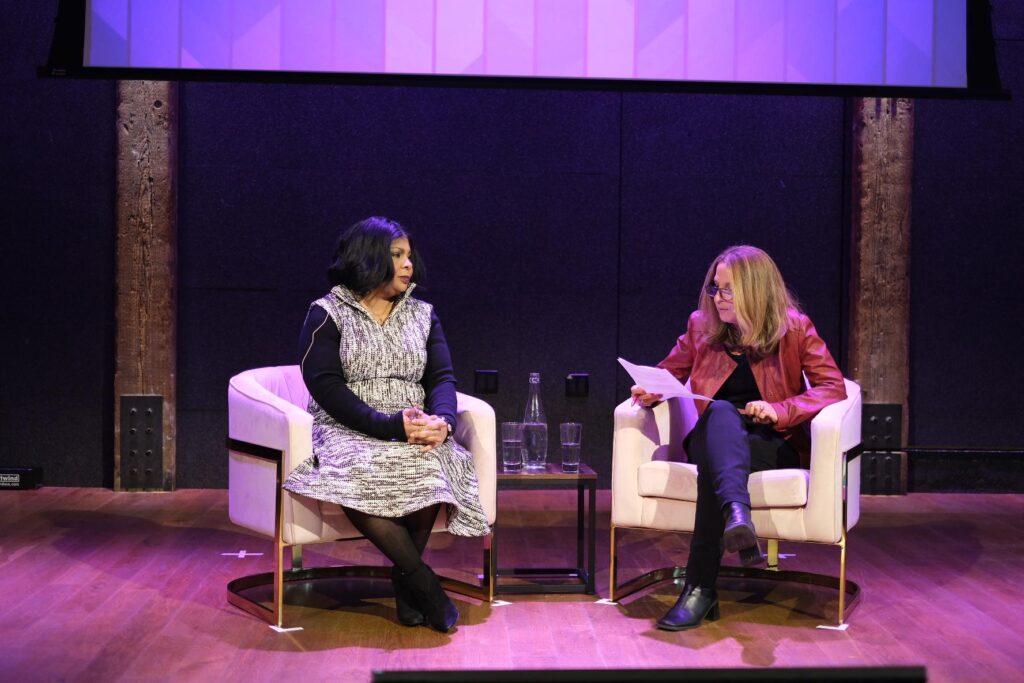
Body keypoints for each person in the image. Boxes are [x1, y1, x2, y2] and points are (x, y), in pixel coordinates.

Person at [283, 216, 489, 633]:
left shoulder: (423, 314)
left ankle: (403, 579)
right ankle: (422, 581)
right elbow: (325, 385)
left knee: (432, 463)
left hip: (411, 421)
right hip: (348, 423)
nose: (409, 264)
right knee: (359, 466)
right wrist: (387, 425)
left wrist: (442, 422)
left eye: (409, 256)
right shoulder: (327, 313)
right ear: (369, 257)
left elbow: (441, 378)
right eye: (397, 256)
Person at [629, 245, 847, 632]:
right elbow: (670, 371)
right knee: (722, 412)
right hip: (711, 438)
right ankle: (737, 516)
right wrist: (651, 389)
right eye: (715, 288)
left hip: (770, 443)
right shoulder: (702, 325)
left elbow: (833, 387)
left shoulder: (795, 328)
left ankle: (700, 587)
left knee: (719, 469)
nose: (718, 298)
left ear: (755, 290)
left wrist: (781, 410)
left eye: (728, 289)